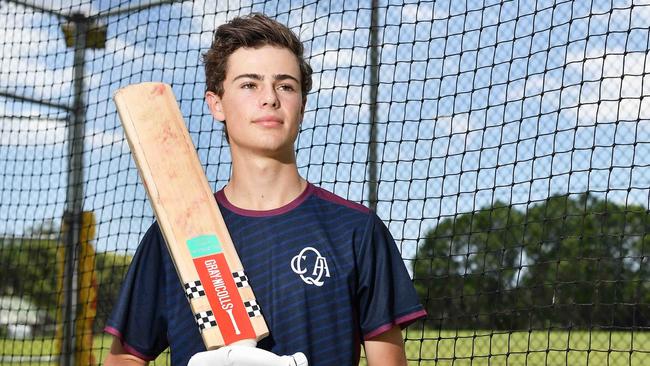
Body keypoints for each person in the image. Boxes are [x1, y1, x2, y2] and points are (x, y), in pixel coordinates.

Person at [104, 13, 426, 366]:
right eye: (249, 84)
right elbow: (125, 359)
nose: (270, 98)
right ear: (216, 104)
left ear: (301, 104)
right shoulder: (175, 235)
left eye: (286, 85)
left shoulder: (356, 230)